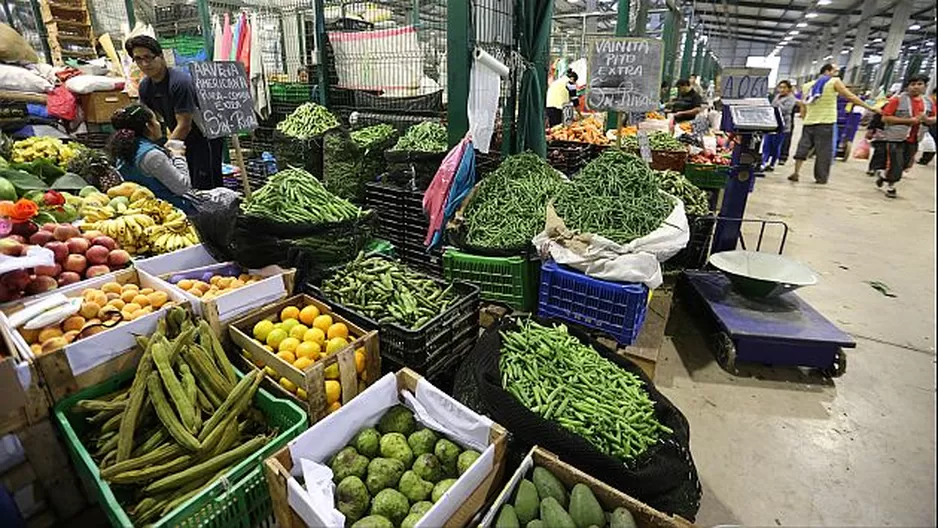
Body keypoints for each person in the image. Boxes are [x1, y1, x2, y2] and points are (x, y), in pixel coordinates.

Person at [125, 35, 223, 191]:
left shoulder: (180, 83)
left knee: (205, 185)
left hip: (204, 137)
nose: (144, 64)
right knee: (184, 181)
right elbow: (149, 120)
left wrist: (164, 150)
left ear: (161, 56)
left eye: (148, 57)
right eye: (138, 59)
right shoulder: (145, 87)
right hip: (179, 138)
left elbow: (185, 125)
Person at [789, 63, 880, 184]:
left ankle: (796, 172)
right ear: (827, 71)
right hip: (826, 122)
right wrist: (869, 107)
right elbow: (850, 96)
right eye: (835, 71)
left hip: (809, 122)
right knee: (824, 152)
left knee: (803, 147)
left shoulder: (807, 86)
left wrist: (806, 117)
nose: (836, 74)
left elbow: (804, 107)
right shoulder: (834, 81)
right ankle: (821, 178)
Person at [107, 104, 194, 212]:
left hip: (140, 208)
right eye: (156, 120)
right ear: (149, 125)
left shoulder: (124, 148)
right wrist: (178, 156)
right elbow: (182, 187)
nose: (159, 124)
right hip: (168, 209)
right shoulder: (152, 155)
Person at [878, 74, 936, 198]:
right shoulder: (897, 100)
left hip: (914, 139)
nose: (915, 87)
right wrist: (909, 121)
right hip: (896, 137)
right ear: (908, 86)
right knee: (896, 163)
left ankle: (884, 175)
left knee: (906, 165)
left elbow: (934, 118)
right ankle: (891, 187)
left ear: (925, 87)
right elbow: (885, 117)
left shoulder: (929, 102)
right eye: (912, 84)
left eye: (919, 84)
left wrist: (927, 119)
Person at [761, 81, 799, 172]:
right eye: (780, 87)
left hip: (782, 125)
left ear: (789, 89)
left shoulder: (791, 98)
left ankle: (772, 164)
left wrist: (776, 105)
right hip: (772, 123)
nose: (782, 89)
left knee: (776, 145)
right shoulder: (777, 96)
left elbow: (785, 110)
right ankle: (763, 162)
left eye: (784, 87)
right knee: (767, 144)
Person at [917, 88, 938, 166]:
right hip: (928, 124)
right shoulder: (927, 101)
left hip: (933, 124)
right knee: (929, 142)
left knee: (931, 142)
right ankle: (924, 159)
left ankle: (925, 159)